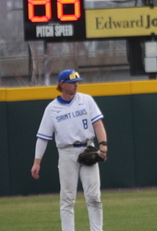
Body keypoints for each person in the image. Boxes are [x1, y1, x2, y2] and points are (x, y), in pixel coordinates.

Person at [31, 69, 108, 231]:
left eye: (77, 82)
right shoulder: (52, 108)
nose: (76, 85)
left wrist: (103, 146)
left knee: (94, 197)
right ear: (62, 84)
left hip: (88, 149)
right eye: (72, 83)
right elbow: (43, 137)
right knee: (67, 200)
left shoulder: (86, 100)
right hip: (66, 153)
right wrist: (37, 162)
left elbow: (98, 124)